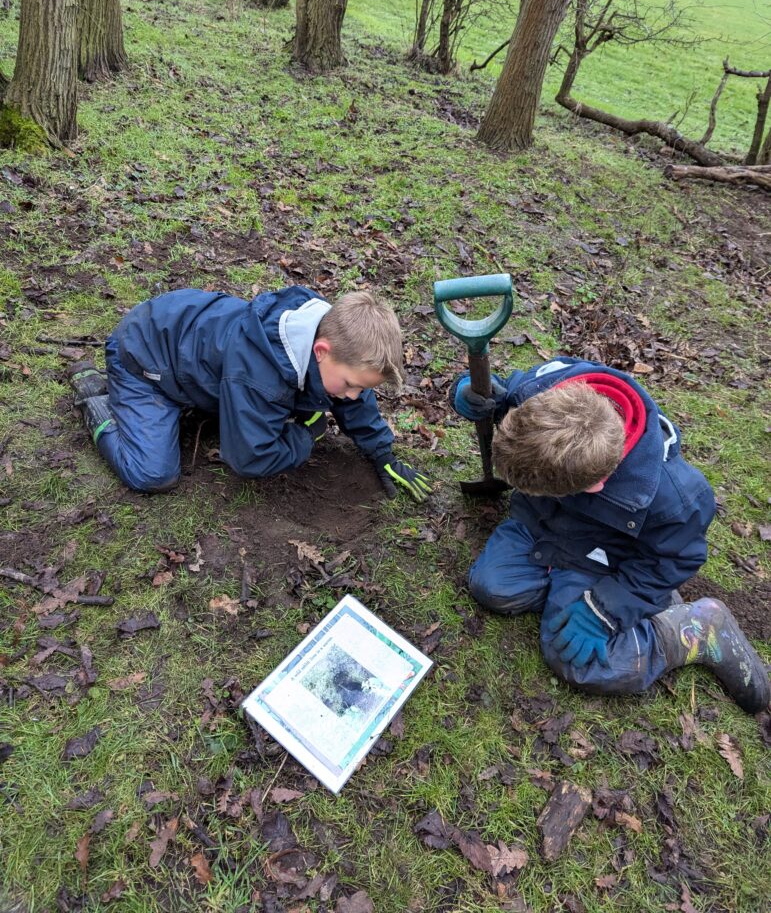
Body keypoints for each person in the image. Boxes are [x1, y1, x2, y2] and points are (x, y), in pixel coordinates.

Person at [451, 356, 769, 714]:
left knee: (577, 662)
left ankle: (693, 628)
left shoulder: (675, 499)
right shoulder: (544, 391)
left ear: (596, 486)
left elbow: (674, 559)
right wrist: (467, 391)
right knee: (492, 587)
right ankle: (581, 591)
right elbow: (499, 391)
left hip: (603, 555)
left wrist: (605, 609)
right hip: (540, 525)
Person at [69, 286, 431, 502]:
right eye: (352, 384)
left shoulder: (331, 334)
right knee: (152, 474)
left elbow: (355, 396)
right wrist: (306, 434)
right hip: (144, 356)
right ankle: (99, 405)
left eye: (362, 387)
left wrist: (381, 453)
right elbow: (250, 458)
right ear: (321, 350)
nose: (352, 396)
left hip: (190, 348)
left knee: (316, 392)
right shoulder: (260, 376)